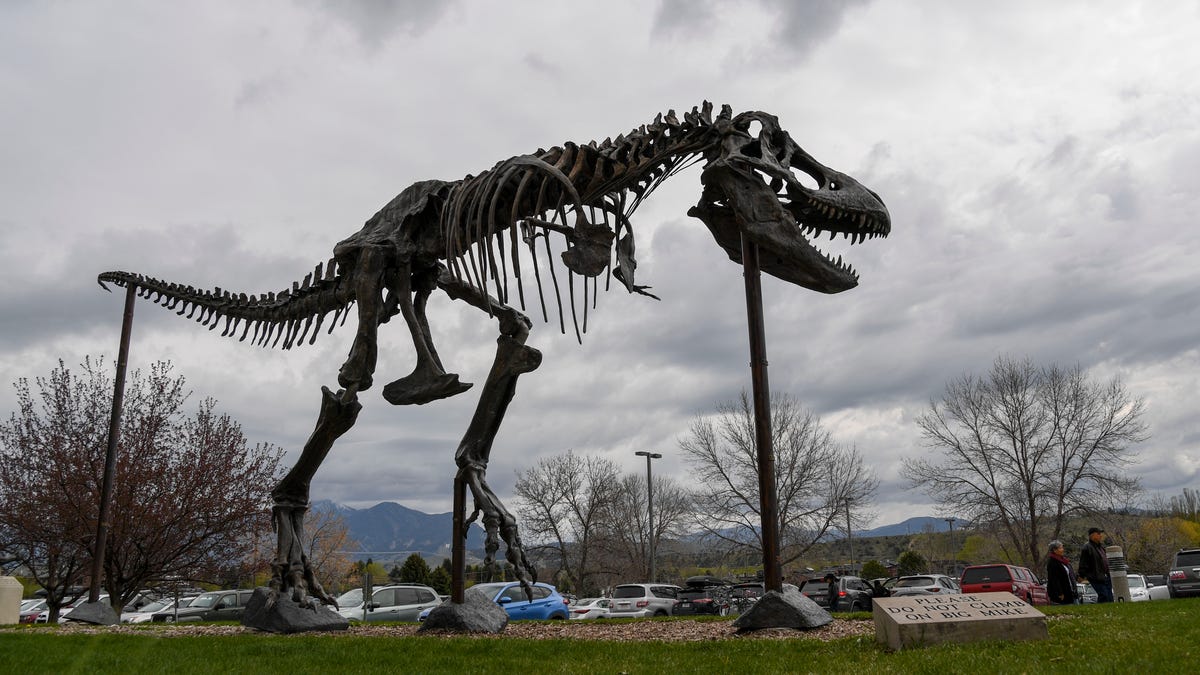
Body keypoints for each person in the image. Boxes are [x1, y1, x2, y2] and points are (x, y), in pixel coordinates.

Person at [1077, 527, 1113, 603]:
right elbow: (1083, 563)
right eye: (1099, 534)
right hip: (1095, 576)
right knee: (1104, 595)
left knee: (1109, 597)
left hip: (1106, 576)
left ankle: (1111, 611)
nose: (1101, 536)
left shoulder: (1101, 547)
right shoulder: (1087, 548)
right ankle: (1102, 611)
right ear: (1092, 535)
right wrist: (1081, 575)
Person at [1045, 540, 1078, 605]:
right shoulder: (1052, 563)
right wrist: (1059, 593)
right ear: (1054, 550)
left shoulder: (1064, 561)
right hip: (1062, 594)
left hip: (1071, 591)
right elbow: (1054, 579)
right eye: (1060, 548)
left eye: (1062, 547)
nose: (1063, 549)